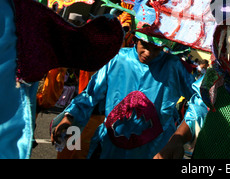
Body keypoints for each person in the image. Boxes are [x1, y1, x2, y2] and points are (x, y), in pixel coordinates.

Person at [51, 31, 199, 159]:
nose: (148, 53)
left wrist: (179, 136)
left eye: (156, 49)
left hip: (153, 149)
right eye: (145, 46)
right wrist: (69, 117)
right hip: (109, 144)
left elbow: (199, 101)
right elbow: (91, 94)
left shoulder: (174, 66)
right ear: (136, 39)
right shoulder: (118, 58)